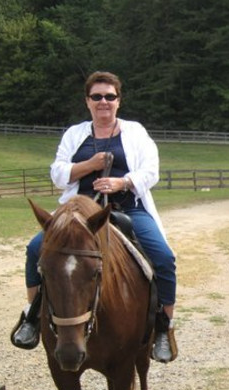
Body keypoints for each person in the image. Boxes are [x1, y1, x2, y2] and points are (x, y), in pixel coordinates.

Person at [10, 71, 178, 363]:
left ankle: (163, 327)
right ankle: (32, 316)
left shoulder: (135, 132)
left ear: (118, 101)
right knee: (36, 249)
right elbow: (58, 174)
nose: (104, 102)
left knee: (163, 258)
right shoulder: (75, 134)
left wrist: (120, 182)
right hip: (78, 213)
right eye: (97, 96)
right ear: (87, 101)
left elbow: (151, 171)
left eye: (110, 96)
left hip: (125, 208)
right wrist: (90, 165)